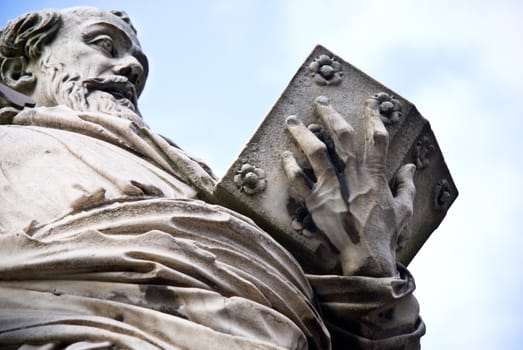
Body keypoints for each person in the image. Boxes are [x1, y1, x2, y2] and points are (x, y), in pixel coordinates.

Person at [0, 7, 424, 349]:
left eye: (138, 63)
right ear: (21, 71)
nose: (130, 68)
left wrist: (369, 269)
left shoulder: (198, 186)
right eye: (105, 45)